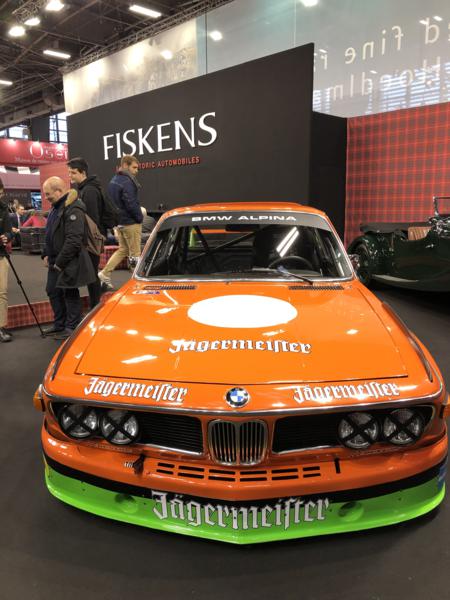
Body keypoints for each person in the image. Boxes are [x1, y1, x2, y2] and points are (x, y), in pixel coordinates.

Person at [42, 176, 95, 340]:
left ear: (59, 191)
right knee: (53, 291)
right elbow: (50, 233)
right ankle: (60, 324)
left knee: (69, 293)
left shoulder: (73, 207)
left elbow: (74, 240)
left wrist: (60, 262)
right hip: (55, 260)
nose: (46, 197)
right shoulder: (56, 207)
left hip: (68, 260)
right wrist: (46, 253)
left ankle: (72, 327)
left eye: (48, 193)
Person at [98, 155, 143, 289]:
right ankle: (137, 283)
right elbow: (131, 203)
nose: (136, 171)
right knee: (135, 254)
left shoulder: (114, 180)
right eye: (134, 167)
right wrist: (139, 217)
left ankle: (105, 273)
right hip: (130, 222)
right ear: (125, 165)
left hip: (120, 223)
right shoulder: (127, 182)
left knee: (123, 250)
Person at [67, 156, 105, 308]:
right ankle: (95, 305)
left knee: (92, 274)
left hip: (90, 239)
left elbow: (92, 219)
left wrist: (85, 241)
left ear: (83, 172)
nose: (70, 175)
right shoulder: (85, 188)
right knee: (91, 274)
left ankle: (96, 306)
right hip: (89, 238)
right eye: (69, 172)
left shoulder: (89, 190)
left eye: (73, 172)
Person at [0, 179, 13, 342]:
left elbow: (9, 232)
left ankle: (2, 327)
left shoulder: (3, 209)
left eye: (0, 193)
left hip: (1, 255)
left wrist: (7, 236)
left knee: (1, 292)